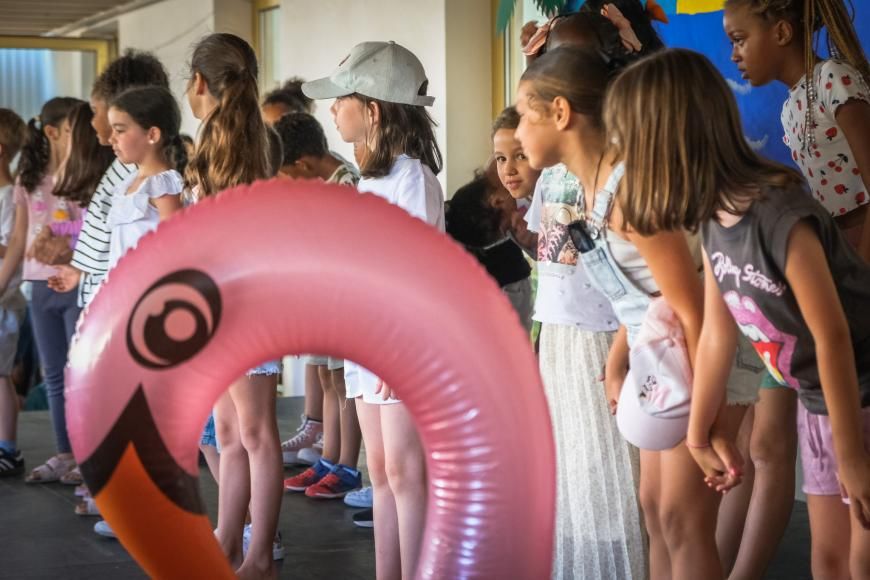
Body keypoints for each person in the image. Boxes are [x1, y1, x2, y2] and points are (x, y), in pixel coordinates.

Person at [609, 46, 870, 580]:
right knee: (829, 559)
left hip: (860, 391)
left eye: (628, 146)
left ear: (668, 142)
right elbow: (717, 339)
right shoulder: (713, 221)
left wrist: (853, 456)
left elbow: (833, 335)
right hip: (822, 398)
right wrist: (700, 433)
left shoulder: (778, 209)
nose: (622, 165)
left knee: (862, 557)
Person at [302, 40, 443, 579]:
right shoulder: (368, 180)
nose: (333, 109)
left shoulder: (412, 179)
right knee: (380, 473)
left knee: (406, 475)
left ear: (374, 109)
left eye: (342, 98)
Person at [186, 33, 283, 580]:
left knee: (254, 433)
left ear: (199, 82)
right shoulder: (234, 140)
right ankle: (228, 541)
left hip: (241, 302)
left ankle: (261, 555)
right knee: (230, 433)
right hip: (222, 300)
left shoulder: (245, 142)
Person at [0, 98, 83, 485]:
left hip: (76, 283)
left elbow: (88, 233)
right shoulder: (28, 180)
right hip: (39, 286)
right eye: (71, 130)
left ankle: (88, 456)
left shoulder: (83, 176)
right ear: (51, 132)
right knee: (52, 373)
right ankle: (65, 452)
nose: (78, 137)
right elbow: (17, 240)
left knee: (80, 373)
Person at [0, 109, 29, 477]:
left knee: (0, 373)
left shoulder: (10, 197)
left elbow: (12, 248)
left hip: (5, 298)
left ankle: (7, 446)